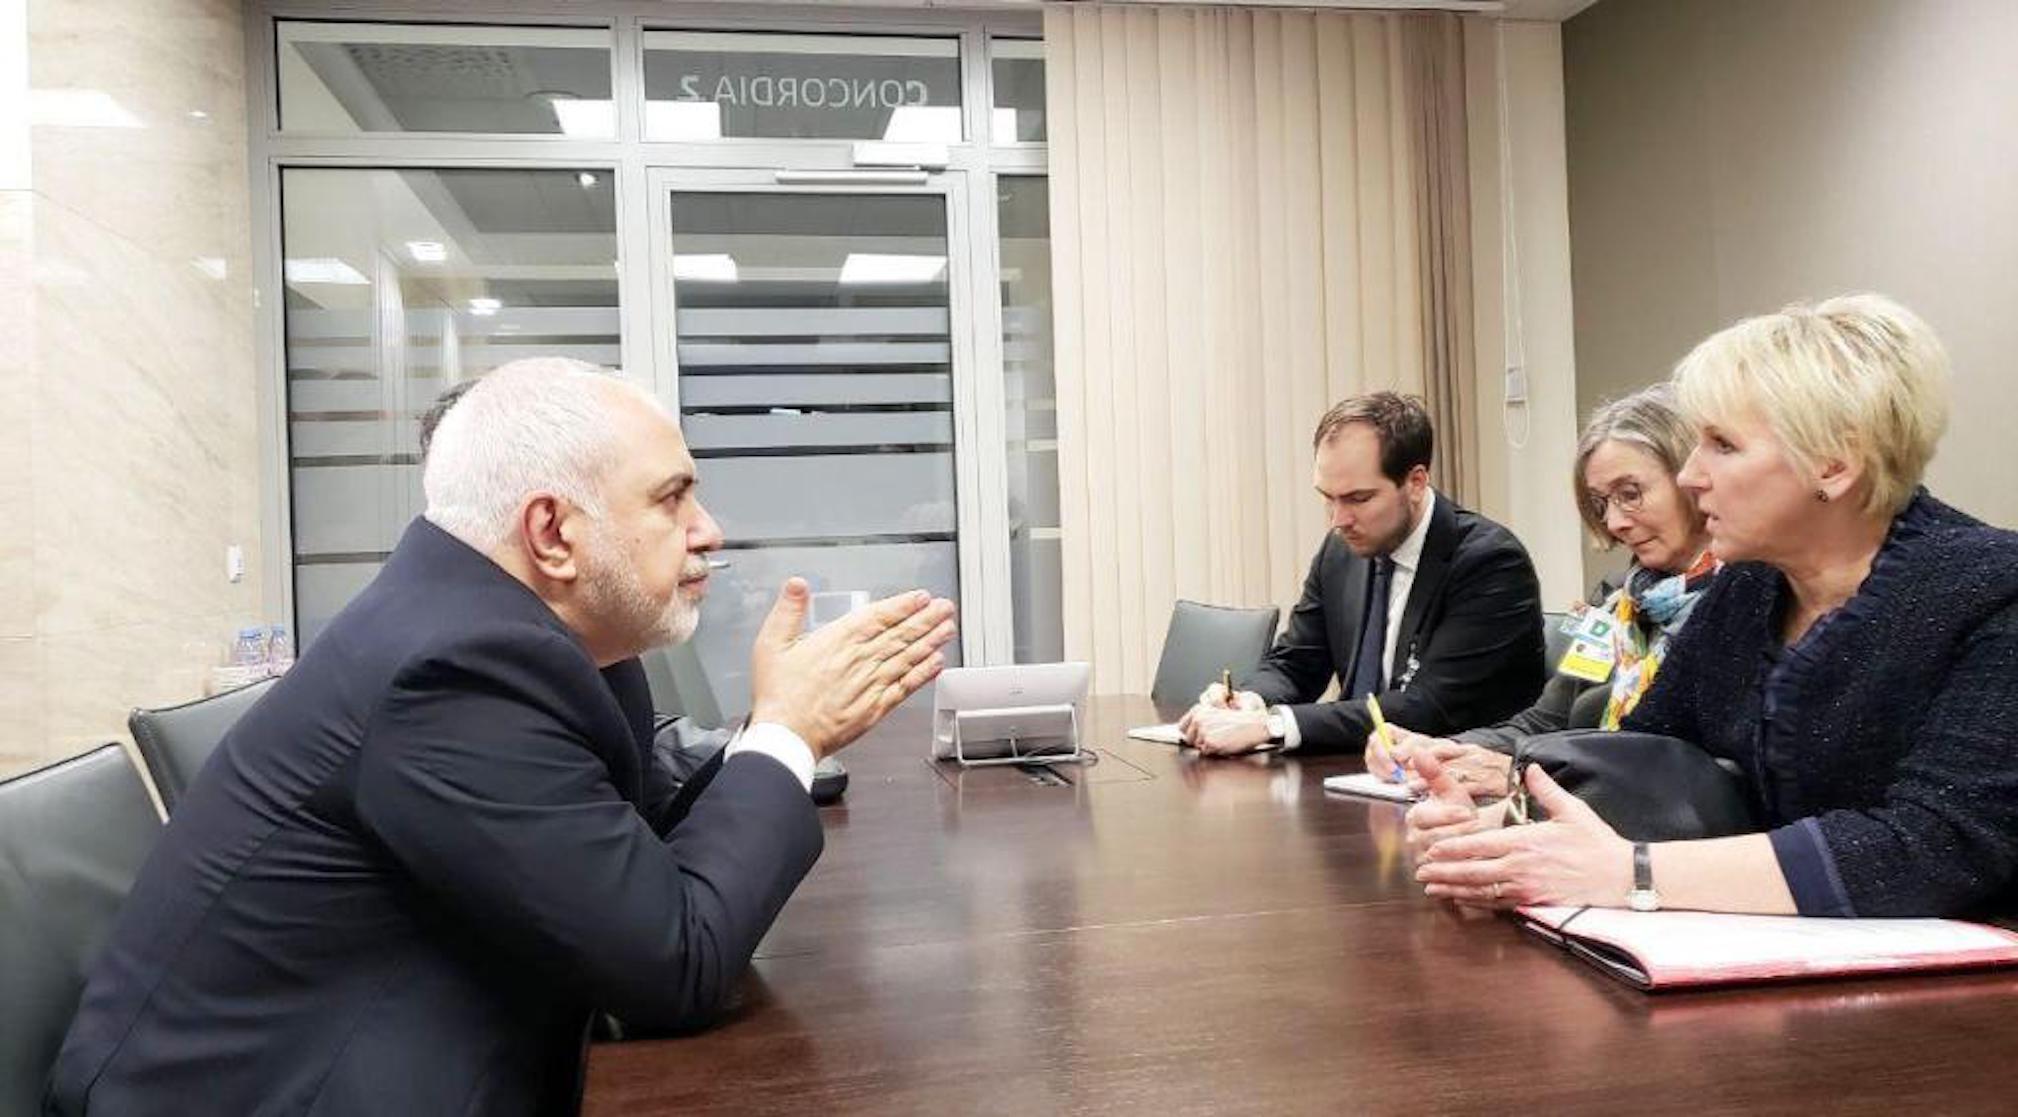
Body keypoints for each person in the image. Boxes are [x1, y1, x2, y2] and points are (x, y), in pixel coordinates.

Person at [48, 359, 957, 1114]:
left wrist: (772, 728)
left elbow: (628, 847)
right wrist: (789, 735)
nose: (708, 531)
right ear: (552, 533)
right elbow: (671, 962)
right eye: (673, 498)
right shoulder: (450, 671)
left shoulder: (532, 634)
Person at [1411, 294, 2018, 918]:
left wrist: (1636, 873)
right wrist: (1500, 829)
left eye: (1722, 445)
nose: (1691, 476)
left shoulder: (1994, 590)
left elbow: (1942, 846)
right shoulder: (1749, 588)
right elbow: (1648, 759)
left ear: (1834, 464)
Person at [1369, 384, 1718, 800]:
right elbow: (1542, 724)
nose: (1615, 522)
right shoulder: (1615, 606)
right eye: (1601, 502)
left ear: (1691, 478)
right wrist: (1449, 749)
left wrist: (1526, 771)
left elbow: (1698, 769)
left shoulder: (1742, 607)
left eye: (1631, 494)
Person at [1178, 392, 1546, 755]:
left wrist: (1272, 726)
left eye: (1358, 499)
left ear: (1416, 483)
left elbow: (1428, 708)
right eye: (1328, 497)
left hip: (1459, 788)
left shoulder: (1490, 562)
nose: (1338, 520)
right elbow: (1296, 662)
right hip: (1359, 773)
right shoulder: (1341, 551)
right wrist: (1250, 701)